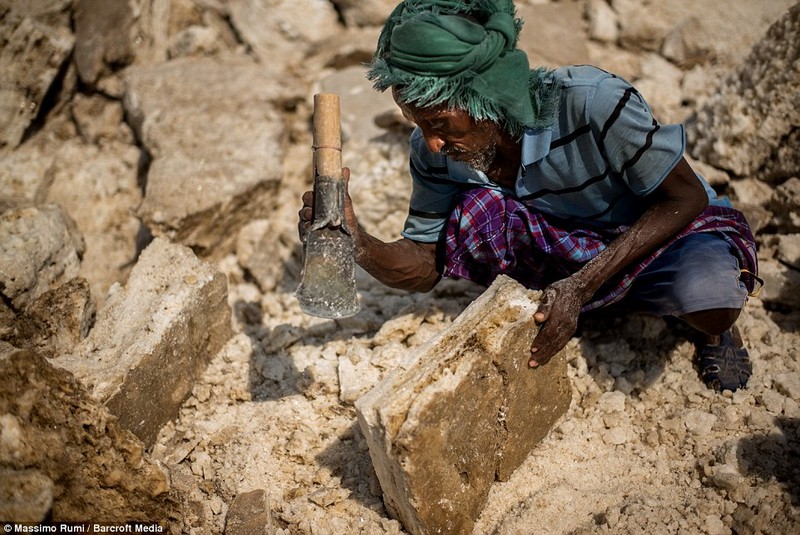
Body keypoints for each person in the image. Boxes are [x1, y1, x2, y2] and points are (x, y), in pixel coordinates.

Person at [298, 0, 761, 392]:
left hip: (653, 233)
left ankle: (667, 313)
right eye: (417, 124)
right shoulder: (434, 153)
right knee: (474, 212)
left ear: (486, 97)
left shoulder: (592, 101)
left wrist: (581, 285)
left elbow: (684, 199)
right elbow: (424, 266)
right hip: (563, 250)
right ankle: (602, 302)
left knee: (710, 300)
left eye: (439, 122)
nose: (432, 142)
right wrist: (356, 241)